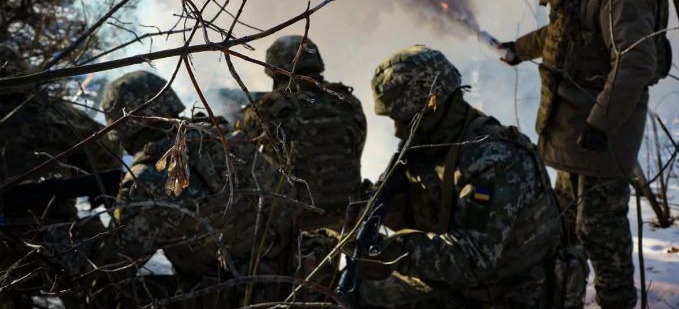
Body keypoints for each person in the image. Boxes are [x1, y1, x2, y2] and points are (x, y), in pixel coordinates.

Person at [500, 0, 666, 308]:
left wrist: (599, 126)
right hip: (573, 140)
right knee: (561, 235)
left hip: (597, 141)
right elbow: (564, 35)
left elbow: (635, 62)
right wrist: (518, 50)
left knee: (602, 240)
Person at [355, 45, 561, 308]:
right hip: (467, 287)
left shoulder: (493, 159)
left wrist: (398, 251)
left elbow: (474, 259)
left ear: (433, 107)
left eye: (405, 118)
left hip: (512, 294)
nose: (398, 131)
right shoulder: (429, 143)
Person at [97, 70, 298, 307]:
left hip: (236, 296)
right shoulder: (221, 138)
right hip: (289, 279)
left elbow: (111, 271)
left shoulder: (148, 180)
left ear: (122, 128)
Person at [0, 44, 122, 308]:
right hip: (59, 238)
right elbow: (108, 150)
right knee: (104, 284)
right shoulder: (49, 112)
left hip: (7, 251)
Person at [238, 35, 366, 230]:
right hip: (347, 217)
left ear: (275, 72)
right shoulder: (348, 103)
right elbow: (356, 149)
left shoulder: (265, 109)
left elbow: (239, 150)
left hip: (295, 222)